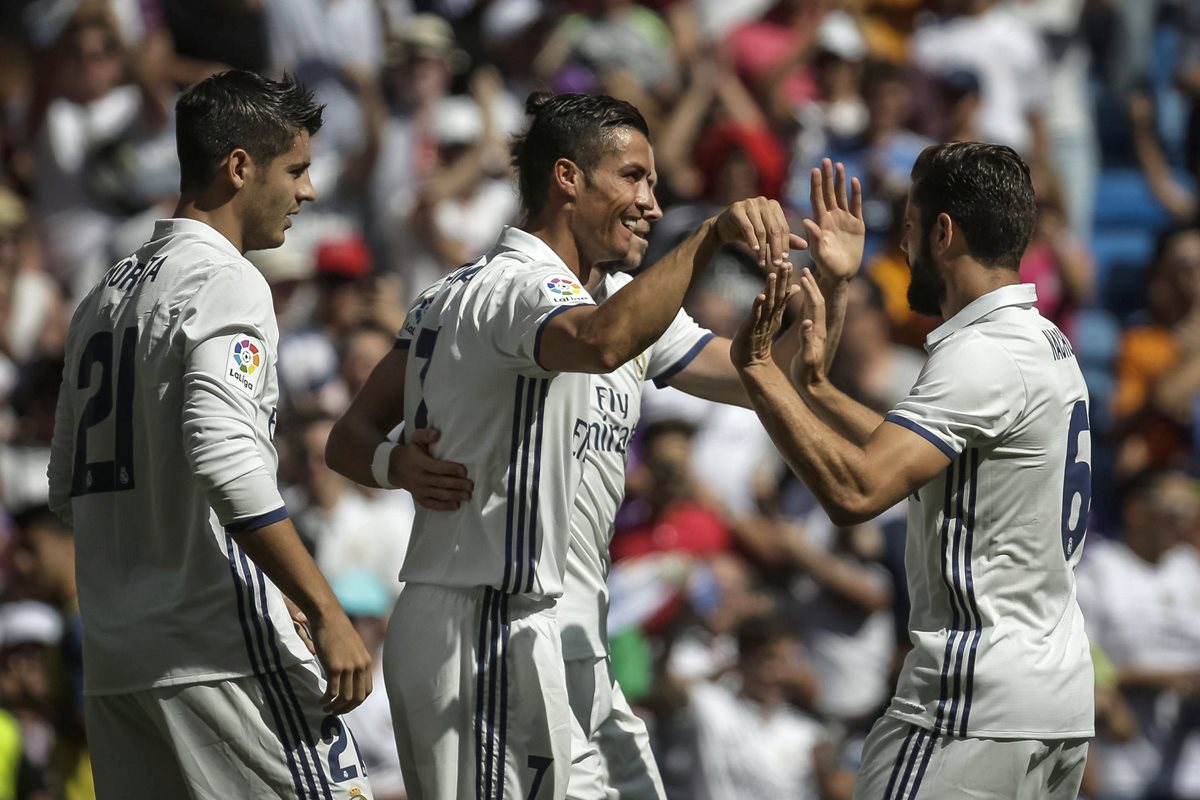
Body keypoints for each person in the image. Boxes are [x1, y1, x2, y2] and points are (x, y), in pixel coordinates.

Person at [324, 91, 802, 800]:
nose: (651, 201)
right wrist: (707, 237)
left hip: (566, 627)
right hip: (484, 622)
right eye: (633, 177)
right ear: (569, 179)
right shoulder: (514, 287)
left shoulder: (617, 297)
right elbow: (349, 439)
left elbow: (758, 377)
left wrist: (832, 291)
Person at [730, 141, 1094, 799]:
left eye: (910, 227)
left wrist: (759, 372)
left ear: (944, 233)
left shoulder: (980, 355)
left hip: (971, 701)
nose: (903, 247)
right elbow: (924, 460)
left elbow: (858, 489)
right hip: (1053, 703)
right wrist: (813, 387)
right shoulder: (1042, 342)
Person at [46, 70, 373, 800]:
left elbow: (67, 488)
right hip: (219, 653)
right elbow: (227, 463)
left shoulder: (101, 295)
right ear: (238, 167)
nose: (309, 191)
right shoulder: (227, 280)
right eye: (297, 169)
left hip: (118, 666)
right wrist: (322, 606)